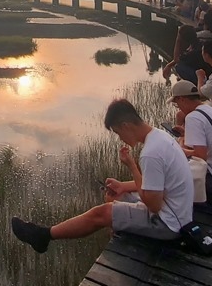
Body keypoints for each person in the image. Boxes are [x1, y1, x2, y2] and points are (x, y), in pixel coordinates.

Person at [10, 98, 194, 252]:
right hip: (178, 212)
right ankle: (121, 226)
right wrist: (122, 186)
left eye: (117, 132)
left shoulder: (151, 153)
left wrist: (132, 167)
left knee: (102, 213)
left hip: (169, 224)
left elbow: (153, 206)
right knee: (118, 195)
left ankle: (43, 236)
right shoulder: (160, 137)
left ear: (125, 125)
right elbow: (155, 186)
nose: (120, 138)